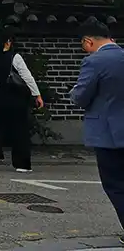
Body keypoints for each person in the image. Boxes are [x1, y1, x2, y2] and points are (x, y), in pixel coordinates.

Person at [71, 18, 124, 239]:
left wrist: (73, 91)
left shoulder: (95, 61)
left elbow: (81, 96)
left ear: (88, 41)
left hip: (108, 133)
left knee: (115, 184)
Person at [0, 30, 44, 172]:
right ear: (6, 42)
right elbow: (27, 77)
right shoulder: (14, 57)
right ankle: (21, 164)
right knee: (19, 129)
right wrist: (37, 94)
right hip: (14, 98)